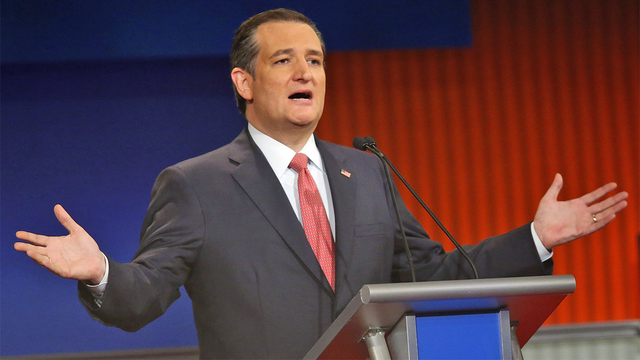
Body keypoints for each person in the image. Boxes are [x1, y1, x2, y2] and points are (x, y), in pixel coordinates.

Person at [14, 8, 628, 359]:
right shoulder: (195, 185)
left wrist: (536, 237)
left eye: (315, 59)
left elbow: (433, 277)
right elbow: (142, 298)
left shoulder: (366, 170)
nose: (305, 71)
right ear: (244, 83)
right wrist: (98, 272)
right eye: (284, 60)